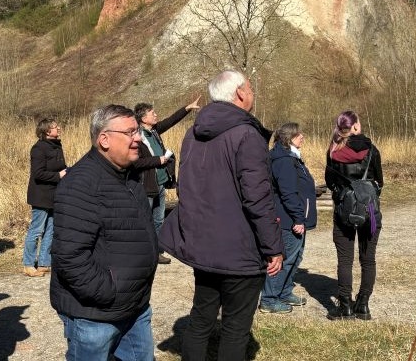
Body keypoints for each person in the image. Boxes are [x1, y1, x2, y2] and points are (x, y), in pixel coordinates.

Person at [159, 70, 283, 360]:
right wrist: (273, 247)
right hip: (239, 248)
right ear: (239, 94)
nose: (252, 93)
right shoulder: (247, 135)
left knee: (201, 318)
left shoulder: (192, 133)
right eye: (250, 88)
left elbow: (186, 187)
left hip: (204, 245)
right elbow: (258, 198)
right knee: (235, 328)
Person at [50, 104, 158, 361]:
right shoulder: (81, 184)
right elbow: (69, 257)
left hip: (135, 307)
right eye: (130, 132)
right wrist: (109, 292)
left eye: (137, 131)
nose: (138, 138)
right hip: (96, 315)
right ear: (104, 139)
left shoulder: (128, 176)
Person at [324, 110, 383, 320]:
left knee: (345, 260)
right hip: (370, 212)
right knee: (368, 260)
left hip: (344, 211)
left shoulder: (333, 151)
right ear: (356, 126)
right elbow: (379, 182)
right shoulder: (371, 149)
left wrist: (344, 193)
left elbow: (330, 181)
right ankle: (363, 305)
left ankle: (345, 306)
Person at [132, 97, 200, 264]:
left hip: (160, 184)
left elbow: (171, 121)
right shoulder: (136, 136)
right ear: (143, 118)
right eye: (152, 113)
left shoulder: (154, 131)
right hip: (147, 186)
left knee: (158, 219)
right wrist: (158, 160)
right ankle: (143, 253)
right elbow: (135, 163)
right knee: (145, 220)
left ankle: (156, 252)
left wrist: (187, 108)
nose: (156, 115)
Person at [259, 122, 318, 314]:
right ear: (290, 138)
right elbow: (288, 193)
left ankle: (284, 292)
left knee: (295, 257)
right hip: (287, 219)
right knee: (283, 259)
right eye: (299, 134)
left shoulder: (291, 157)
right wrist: (298, 218)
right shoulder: (284, 160)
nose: (302, 137)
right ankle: (269, 299)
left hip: (293, 217)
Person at [23, 117, 67, 277]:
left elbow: (60, 167)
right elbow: (38, 173)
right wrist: (58, 175)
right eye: (55, 127)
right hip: (41, 195)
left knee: (51, 230)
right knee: (36, 230)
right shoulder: (38, 149)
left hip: (54, 194)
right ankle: (28, 264)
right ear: (47, 131)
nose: (59, 128)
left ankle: (44, 263)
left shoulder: (57, 146)